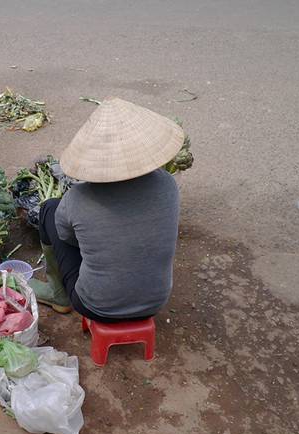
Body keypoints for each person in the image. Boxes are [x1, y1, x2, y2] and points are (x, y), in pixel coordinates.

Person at [28, 97, 183, 322]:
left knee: (48, 210)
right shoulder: (167, 184)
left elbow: (67, 238)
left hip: (95, 306)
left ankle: (58, 295)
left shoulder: (78, 197)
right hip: (155, 302)